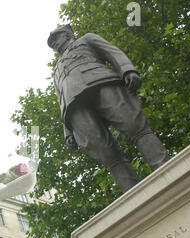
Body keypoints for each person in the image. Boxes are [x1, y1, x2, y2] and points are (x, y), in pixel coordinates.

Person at [47, 25, 170, 192]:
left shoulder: (86, 39)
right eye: (52, 42)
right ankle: (132, 192)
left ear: (68, 34)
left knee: (134, 125)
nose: (54, 43)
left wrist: (127, 69)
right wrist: (67, 131)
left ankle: (167, 169)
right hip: (74, 106)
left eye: (56, 38)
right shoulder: (57, 70)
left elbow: (113, 52)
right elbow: (60, 98)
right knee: (104, 151)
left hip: (101, 83)